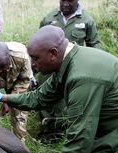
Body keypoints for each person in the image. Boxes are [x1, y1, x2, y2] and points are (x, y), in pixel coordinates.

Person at [37, 0, 100, 142]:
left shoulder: (86, 20)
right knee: (45, 97)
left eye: (69, 1)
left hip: (72, 68)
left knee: (66, 100)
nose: (65, 4)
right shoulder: (49, 18)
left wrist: (92, 68)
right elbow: (38, 42)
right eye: (62, 0)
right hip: (48, 67)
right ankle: (47, 131)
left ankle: (62, 133)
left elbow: (93, 45)